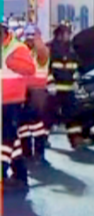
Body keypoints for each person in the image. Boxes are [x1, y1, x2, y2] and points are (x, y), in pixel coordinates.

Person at [2, 18, 36, 189]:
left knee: (5, 139)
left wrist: (13, 63)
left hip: (12, 101)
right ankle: (20, 176)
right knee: (12, 140)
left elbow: (30, 69)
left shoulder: (17, 48)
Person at [47, 21, 84, 149]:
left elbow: (76, 66)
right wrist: (50, 82)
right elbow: (46, 67)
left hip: (68, 89)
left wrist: (76, 78)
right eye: (66, 33)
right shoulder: (50, 48)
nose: (68, 35)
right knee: (49, 115)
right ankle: (43, 139)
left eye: (69, 33)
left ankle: (75, 139)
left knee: (73, 114)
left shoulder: (71, 50)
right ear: (59, 34)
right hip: (54, 89)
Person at [18, 24, 51, 163]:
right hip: (22, 91)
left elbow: (42, 53)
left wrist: (36, 38)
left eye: (32, 38)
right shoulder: (23, 51)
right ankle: (27, 152)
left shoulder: (41, 51)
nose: (30, 41)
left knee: (36, 123)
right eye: (28, 39)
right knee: (22, 124)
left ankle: (39, 153)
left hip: (37, 92)